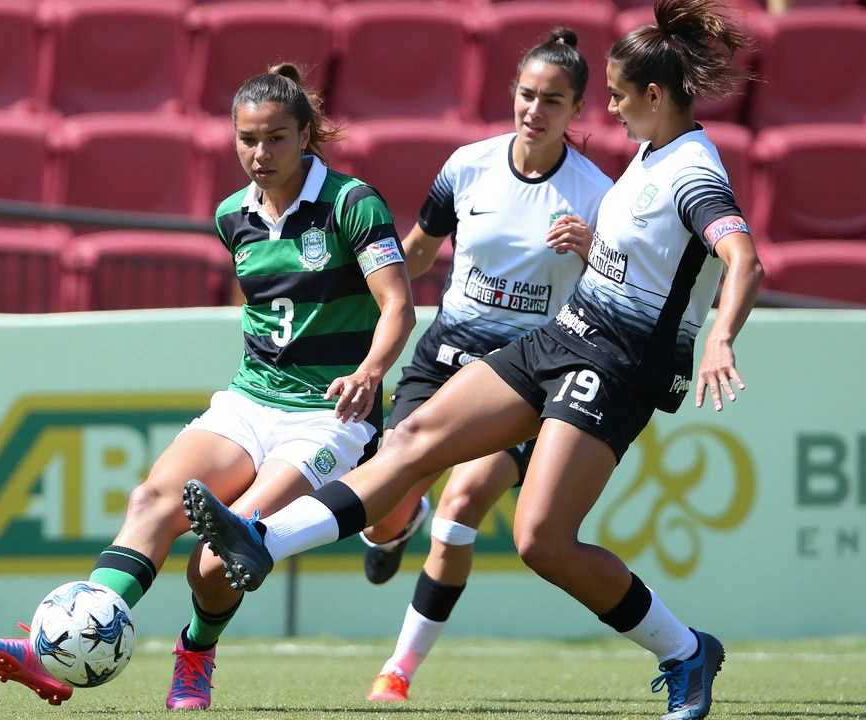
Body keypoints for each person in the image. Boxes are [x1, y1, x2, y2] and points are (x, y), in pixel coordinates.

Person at [183, 0, 761, 717]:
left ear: (652, 96)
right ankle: (261, 538)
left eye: (611, 95)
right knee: (415, 440)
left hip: (616, 367)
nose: (606, 108)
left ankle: (684, 650)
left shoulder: (692, 170)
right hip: (563, 336)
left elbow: (742, 257)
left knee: (541, 541)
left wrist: (723, 337)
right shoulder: (649, 153)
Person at [0, 62, 416, 710]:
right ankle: (53, 652)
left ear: (306, 134)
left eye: (277, 138)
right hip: (252, 401)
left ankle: (195, 656)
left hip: (326, 416)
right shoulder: (234, 215)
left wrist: (371, 372)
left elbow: (397, 305)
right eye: (247, 139)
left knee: (215, 562)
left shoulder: (351, 203)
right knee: (150, 499)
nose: (260, 154)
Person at [342, 29, 615, 703]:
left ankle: (397, 673)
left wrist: (595, 251)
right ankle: (398, 521)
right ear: (512, 95)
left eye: (554, 100)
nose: (535, 110)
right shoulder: (467, 166)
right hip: (444, 360)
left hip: (528, 377)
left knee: (463, 506)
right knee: (380, 515)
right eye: (527, 95)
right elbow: (419, 251)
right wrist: (364, 297)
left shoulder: (598, 195)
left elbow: (624, 290)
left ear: (578, 110)